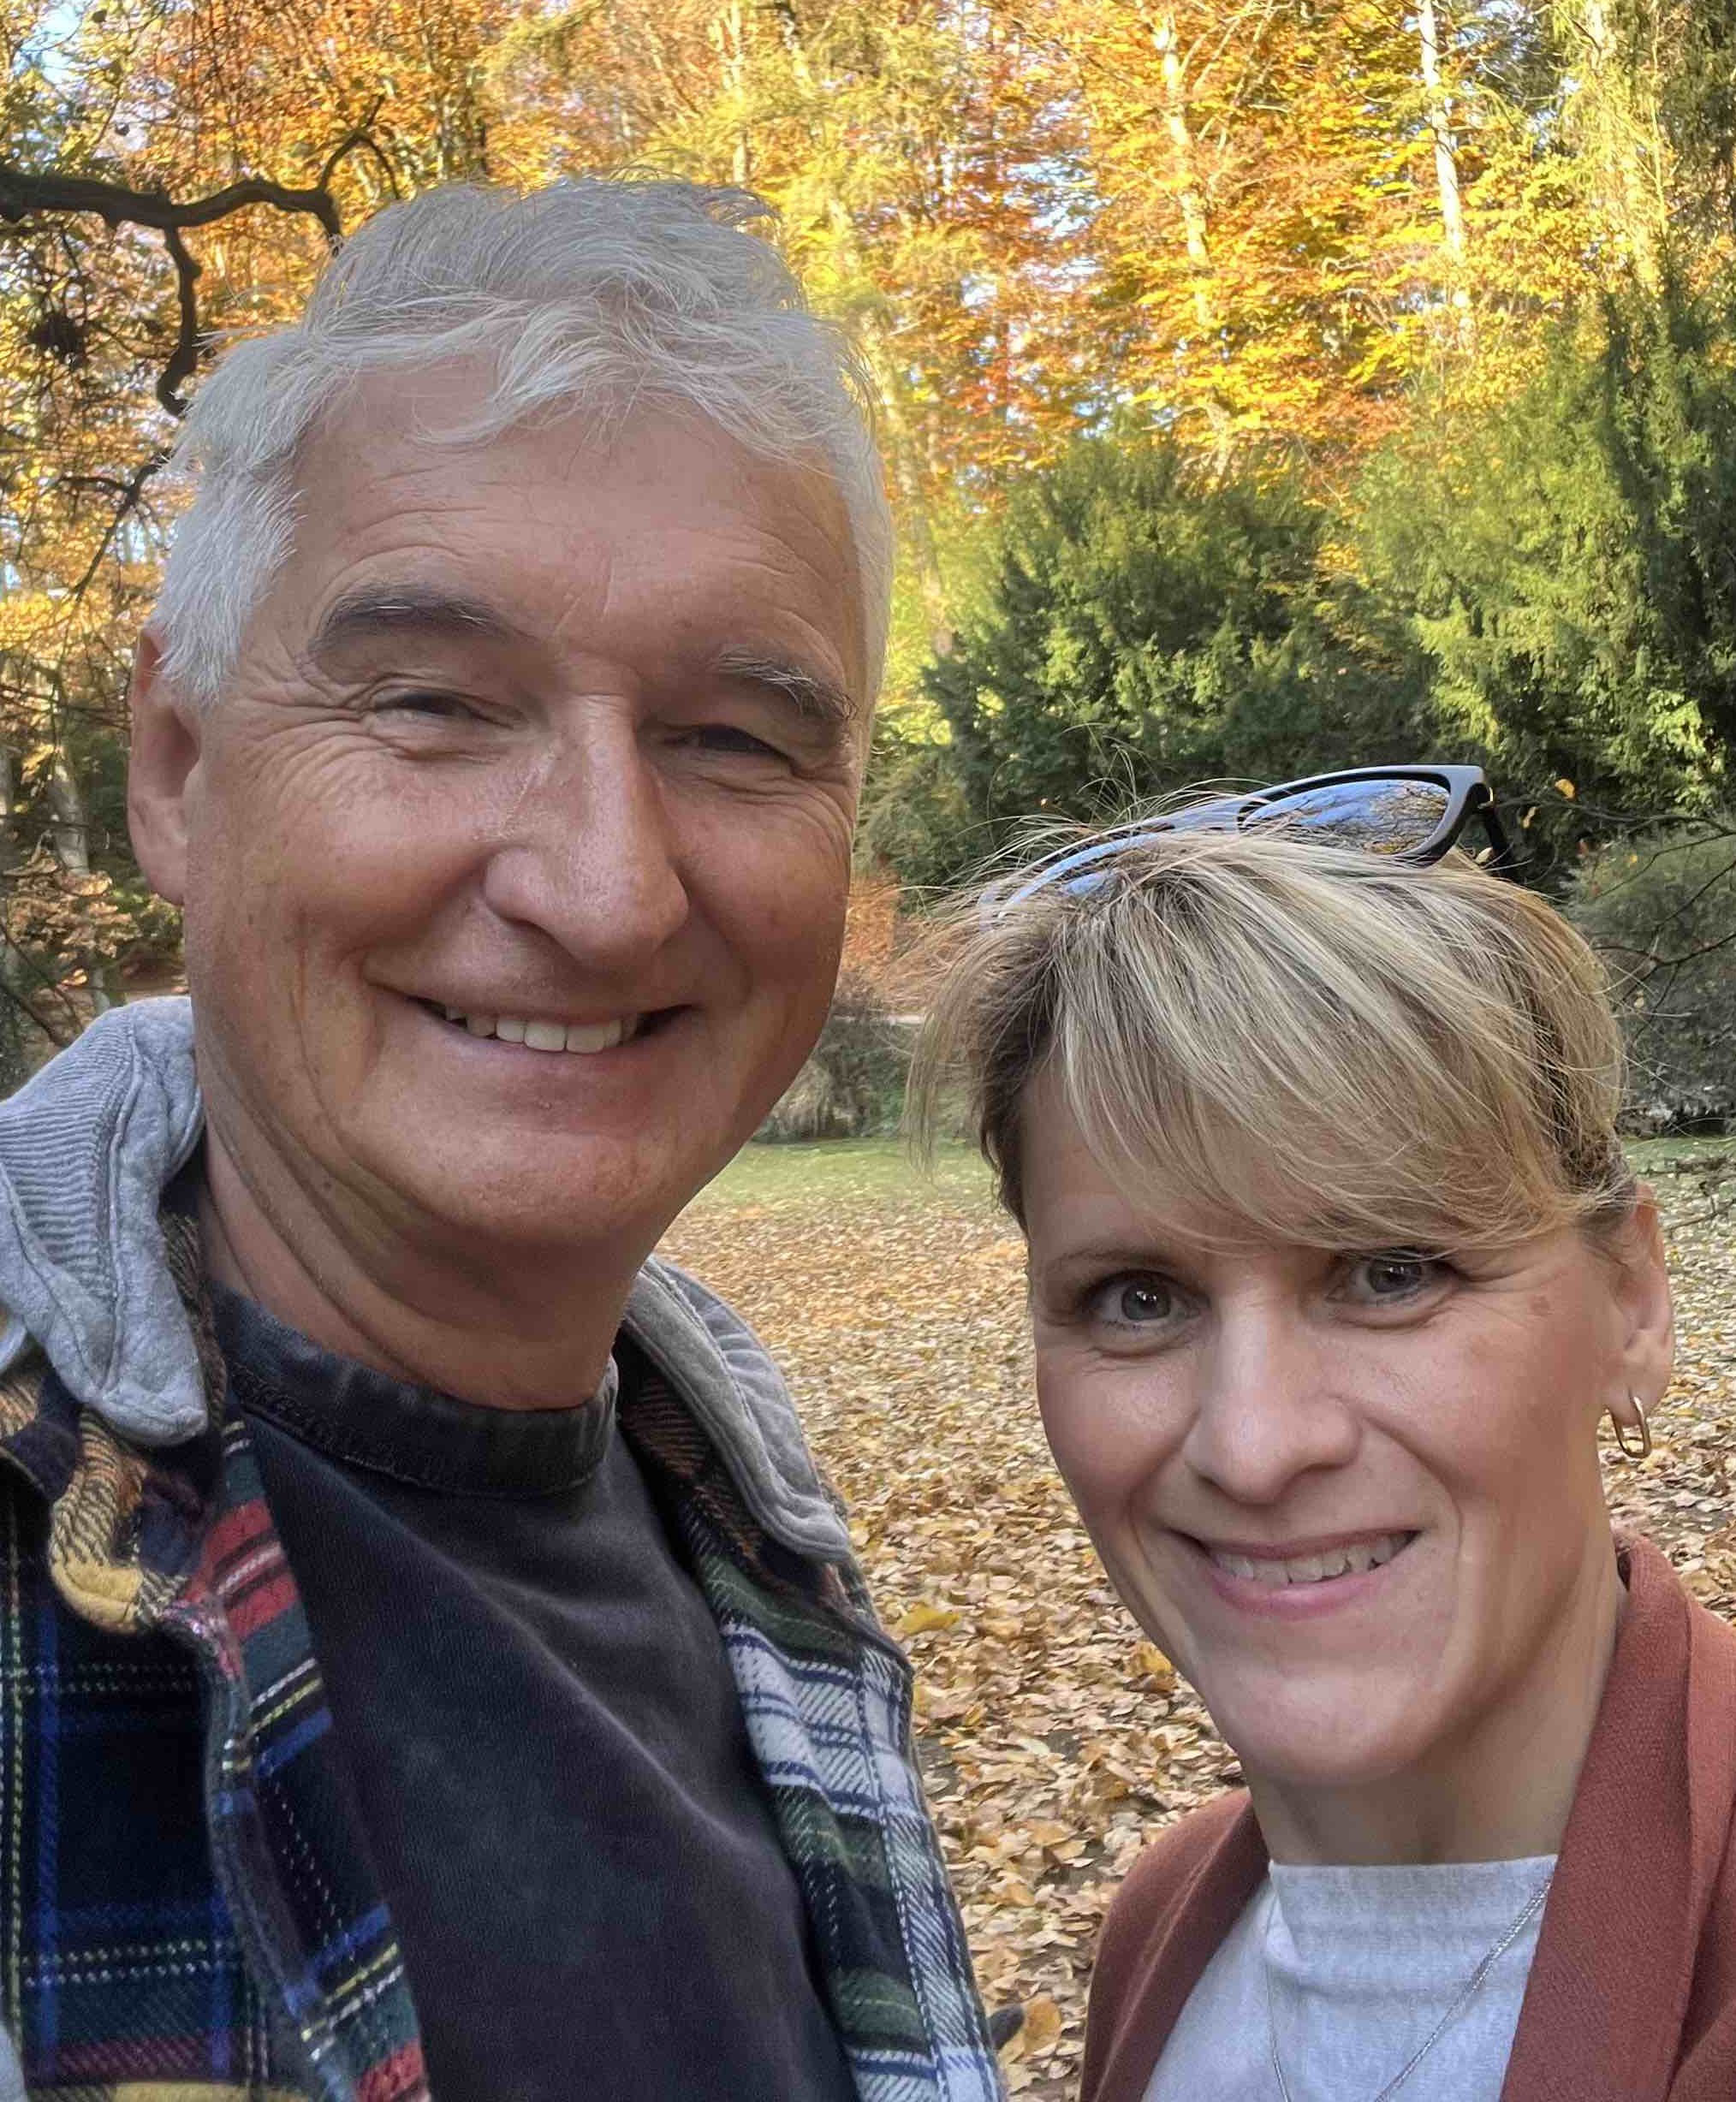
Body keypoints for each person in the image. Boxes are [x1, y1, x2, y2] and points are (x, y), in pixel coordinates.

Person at [0, 180, 1002, 2101]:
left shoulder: (749, 1527)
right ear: (180, 770)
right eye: (440, 705)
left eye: (735, 739)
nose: (609, 893)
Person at [913, 766, 1736, 2102]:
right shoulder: (1162, 1934)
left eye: (1390, 1273)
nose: (1254, 1445)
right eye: (1138, 1299)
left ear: (1630, 1303)